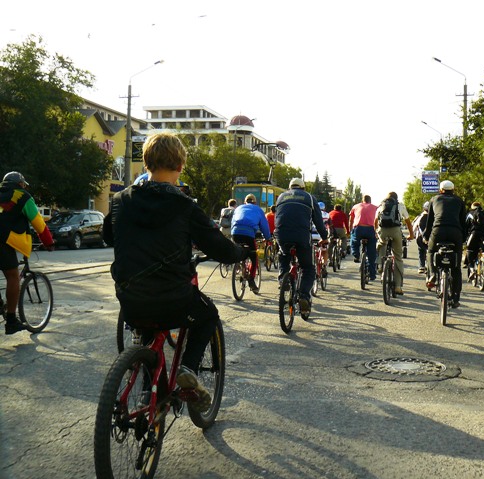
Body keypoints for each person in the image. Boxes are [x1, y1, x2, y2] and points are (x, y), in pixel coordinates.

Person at [105, 132, 249, 411]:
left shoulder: (121, 200)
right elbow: (220, 248)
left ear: (146, 162)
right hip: (173, 299)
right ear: (180, 166)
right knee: (208, 315)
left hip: (129, 298)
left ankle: (148, 395)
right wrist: (242, 253)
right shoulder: (184, 205)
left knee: (149, 333)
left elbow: (109, 236)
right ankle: (188, 369)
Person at [0, 172, 55, 334]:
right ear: (20, 184)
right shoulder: (23, 196)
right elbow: (39, 224)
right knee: (13, 276)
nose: (24, 187)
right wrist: (48, 243)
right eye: (24, 184)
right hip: (3, 240)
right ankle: (11, 321)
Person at [275, 178, 327, 316]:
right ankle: (304, 295)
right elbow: (318, 220)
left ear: (290, 187)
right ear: (303, 188)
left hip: (282, 234)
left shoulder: (281, 197)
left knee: (283, 256)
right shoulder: (309, 198)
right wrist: (324, 236)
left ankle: (283, 279)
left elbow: (277, 217)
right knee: (308, 268)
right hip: (301, 236)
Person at [423, 180, 466, 307]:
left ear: (441, 190)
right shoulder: (459, 201)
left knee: (430, 252)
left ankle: (432, 275)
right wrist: (463, 239)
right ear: (453, 190)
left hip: (438, 230)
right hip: (455, 232)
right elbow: (463, 222)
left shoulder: (434, 199)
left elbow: (430, 221)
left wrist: (426, 236)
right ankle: (456, 297)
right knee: (456, 266)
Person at [375, 192, 414, 295]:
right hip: (395, 231)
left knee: (381, 244)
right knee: (398, 257)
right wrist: (411, 234)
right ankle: (397, 287)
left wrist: (376, 232)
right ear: (396, 199)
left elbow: (375, 221)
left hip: (383, 230)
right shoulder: (400, 206)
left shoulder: (381, 205)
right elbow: (408, 222)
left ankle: (380, 265)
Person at [230, 194, 272, 293]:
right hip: (248, 234)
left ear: (245, 202)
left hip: (235, 233)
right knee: (254, 256)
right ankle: (251, 280)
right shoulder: (258, 210)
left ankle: (239, 264)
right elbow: (264, 226)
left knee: (239, 250)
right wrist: (268, 238)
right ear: (255, 202)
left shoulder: (239, 208)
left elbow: (233, 222)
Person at [349, 195, 378, 281]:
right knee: (372, 253)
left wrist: (350, 230)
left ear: (363, 200)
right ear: (370, 201)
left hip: (359, 229)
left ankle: (356, 255)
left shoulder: (356, 206)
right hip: (370, 229)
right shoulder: (375, 207)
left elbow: (351, 219)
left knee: (354, 241)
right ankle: (372, 274)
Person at [464, 202, 484, 280]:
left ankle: (472, 269)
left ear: (472, 207)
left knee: (470, 250)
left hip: (474, 235)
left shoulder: (470, 214)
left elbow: (465, 226)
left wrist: (464, 237)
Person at [311, 201, 332, 270]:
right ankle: (324, 265)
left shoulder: (311, 213)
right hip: (322, 236)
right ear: (324, 208)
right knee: (324, 251)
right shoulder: (327, 215)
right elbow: (330, 225)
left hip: (312, 235)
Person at [412, 202, 429, 274]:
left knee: (421, 249)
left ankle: (422, 266)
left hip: (421, 238)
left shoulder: (420, 216)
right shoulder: (436, 216)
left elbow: (414, 226)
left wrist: (412, 235)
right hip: (433, 238)